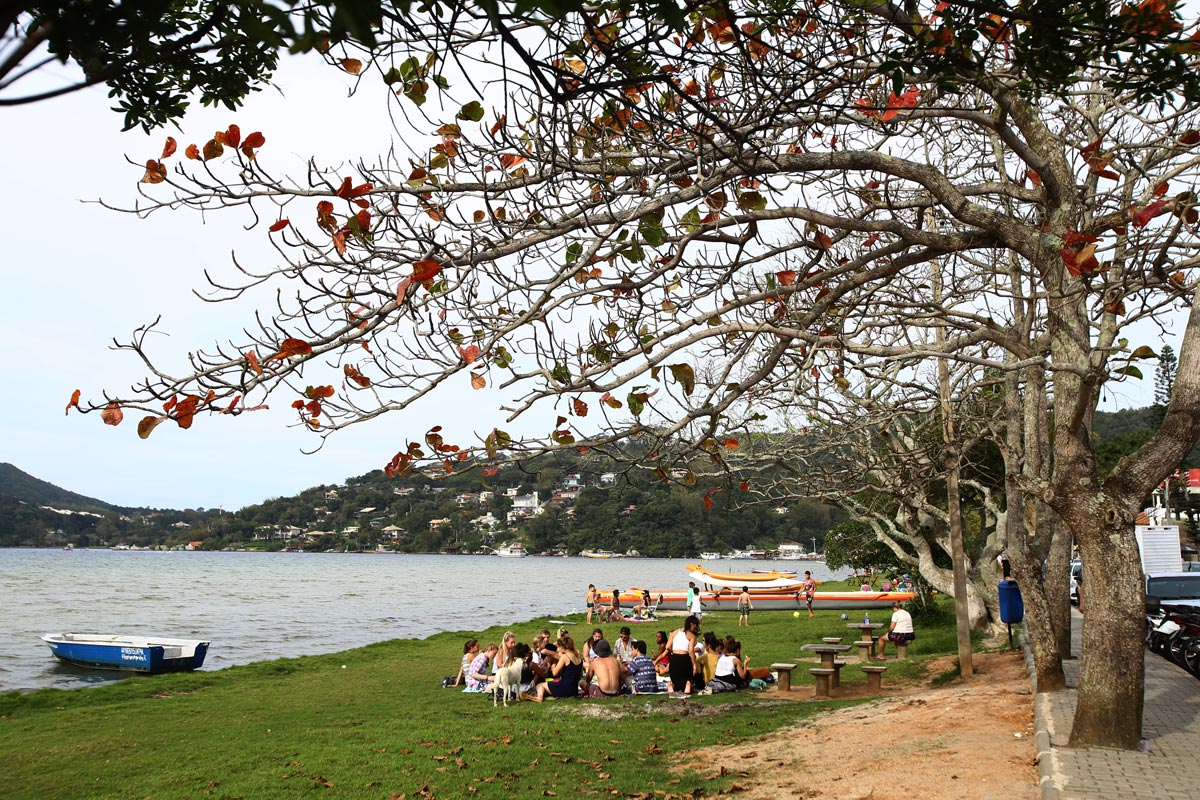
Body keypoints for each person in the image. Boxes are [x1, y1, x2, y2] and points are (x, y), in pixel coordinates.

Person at [531, 634, 583, 701]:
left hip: (564, 688)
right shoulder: (579, 658)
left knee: (540, 685)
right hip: (574, 690)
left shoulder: (565, 657)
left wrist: (553, 665)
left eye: (559, 647)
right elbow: (580, 675)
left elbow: (554, 673)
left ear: (562, 647)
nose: (558, 649)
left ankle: (539, 697)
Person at [667, 615, 701, 696]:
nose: (696, 628)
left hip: (674, 659)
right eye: (695, 625)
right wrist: (694, 664)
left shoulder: (674, 633)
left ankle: (672, 685)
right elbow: (691, 651)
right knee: (686, 678)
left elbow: (667, 647)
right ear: (691, 624)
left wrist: (673, 651)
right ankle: (687, 684)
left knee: (676, 678)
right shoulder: (692, 636)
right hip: (684, 659)